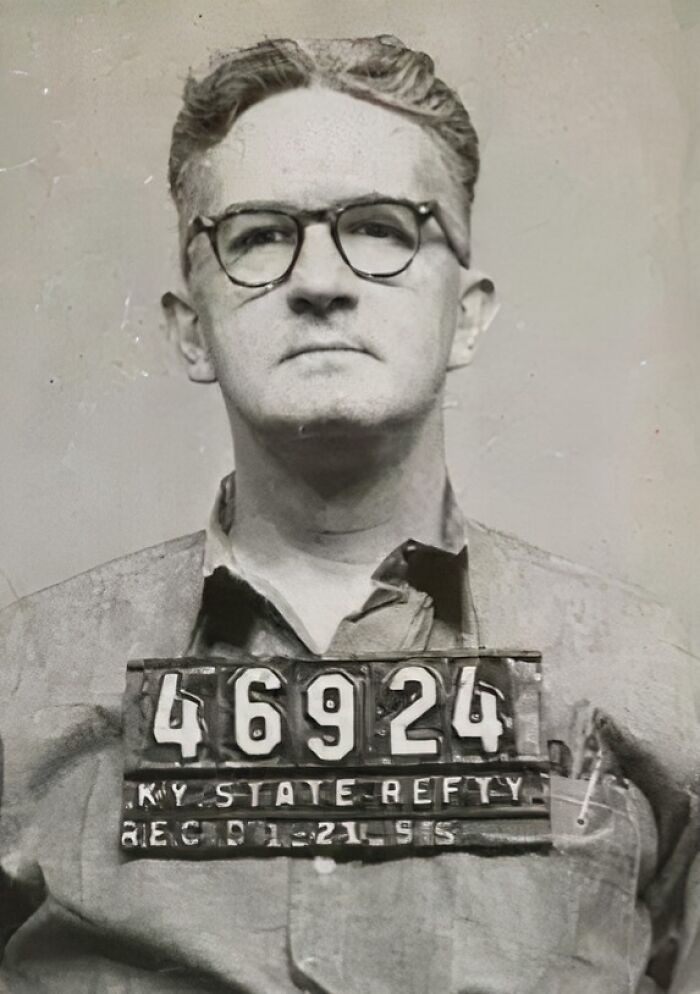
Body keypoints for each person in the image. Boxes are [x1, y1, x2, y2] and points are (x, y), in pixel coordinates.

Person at [0, 35, 698, 994]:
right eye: (255, 235)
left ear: (470, 315)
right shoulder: (19, 685)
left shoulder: (659, 686)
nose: (319, 283)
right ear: (188, 328)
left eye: (380, 228)